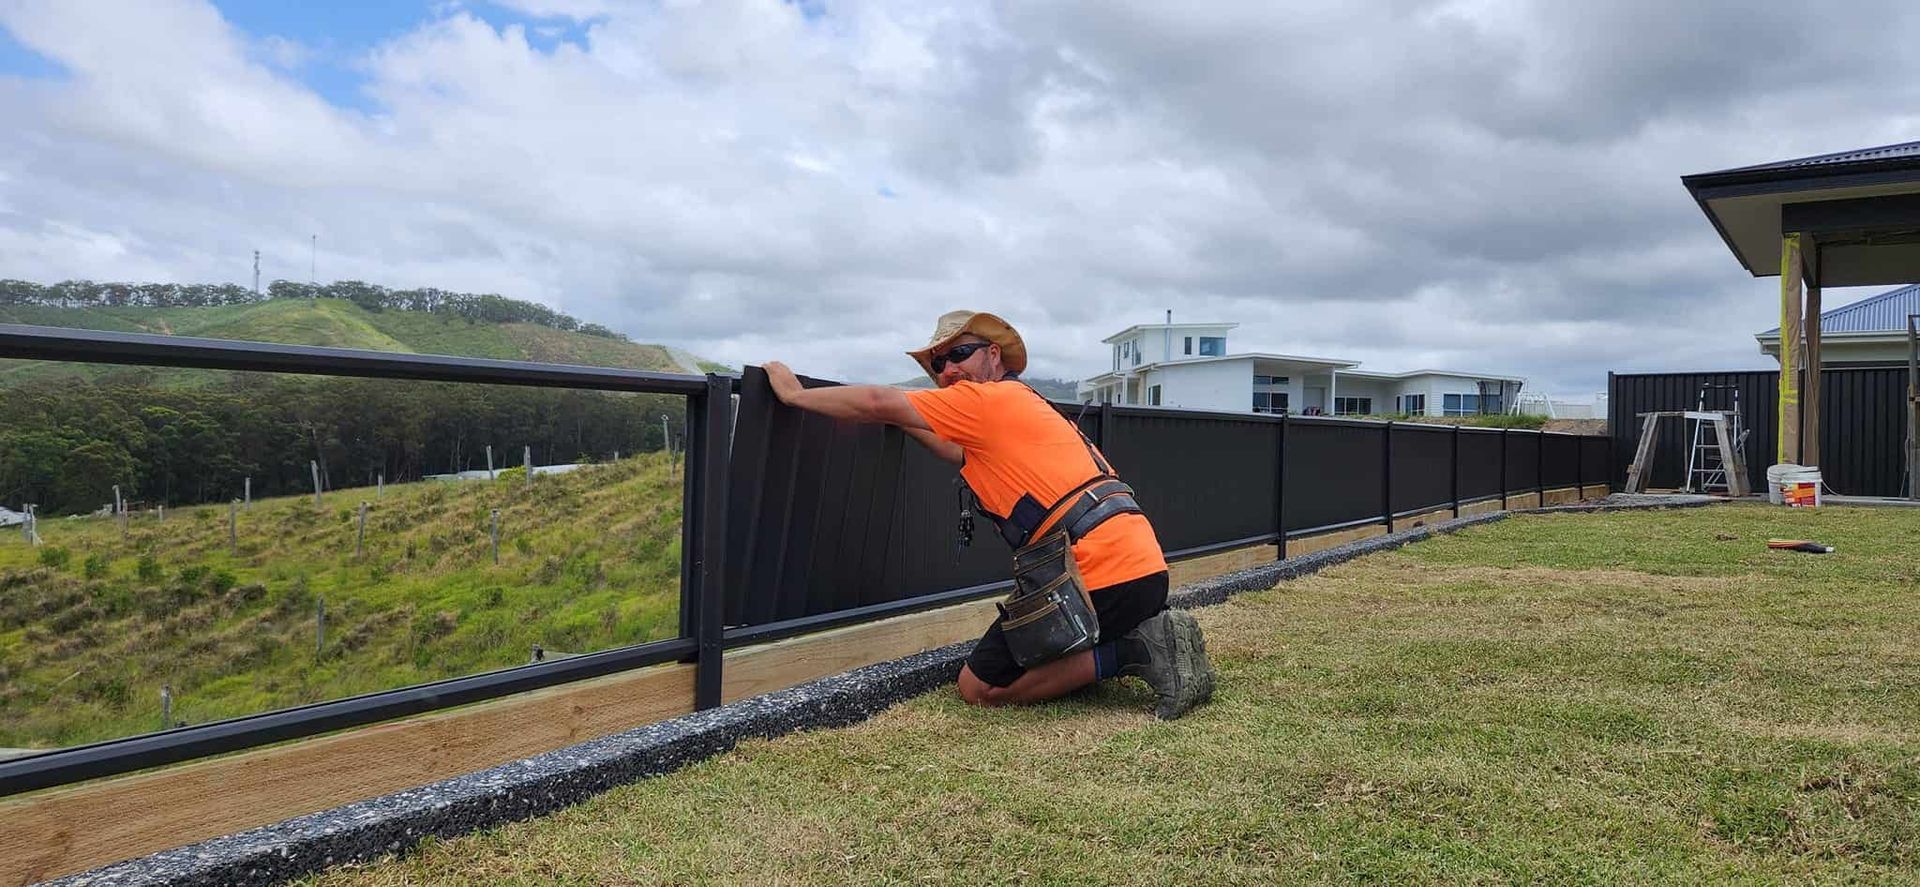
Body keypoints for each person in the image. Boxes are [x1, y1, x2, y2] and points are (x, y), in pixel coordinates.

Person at [763, 310, 1215, 719]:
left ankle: (1138, 650)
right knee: (1037, 654)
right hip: (1142, 570)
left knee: (979, 687)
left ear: (993, 354)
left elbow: (879, 401)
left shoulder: (985, 401)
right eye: (937, 365)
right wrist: (907, 422)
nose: (948, 370)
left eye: (958, 353)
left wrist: (795, 395)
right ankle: (1139, 634)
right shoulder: (1022, 403)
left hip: (1097, 576)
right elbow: (956, 452)